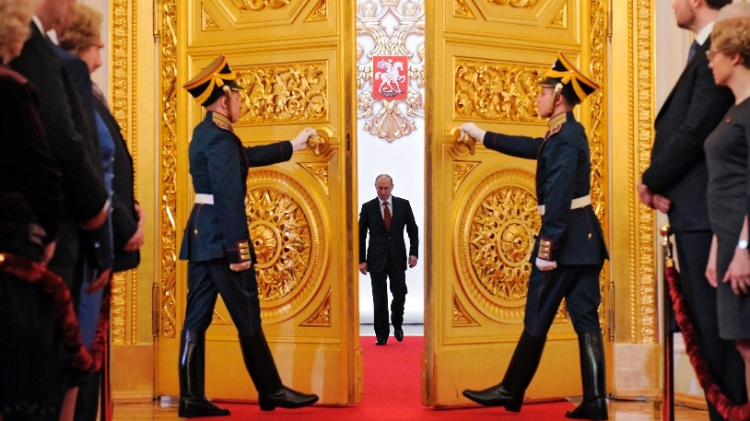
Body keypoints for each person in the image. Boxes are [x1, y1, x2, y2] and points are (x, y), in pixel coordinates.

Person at [459, 52, 609, 420]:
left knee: (537, 316)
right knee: (585, 318)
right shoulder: (565, 132)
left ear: (558, 95)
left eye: (542, 93)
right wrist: (483, 136)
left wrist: (547, 247)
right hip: (584, 241)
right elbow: (532, 148)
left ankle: (510, 389)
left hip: (563, 243)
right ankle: (595, 401)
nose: (536, 98)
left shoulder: (564, 137)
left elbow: (557, 196)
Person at [178, 54, 319, 418]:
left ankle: (191, 397)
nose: (242, 102)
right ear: (224, 99)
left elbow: (247, 156)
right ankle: (271, 391)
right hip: (223, 240)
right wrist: (239, 250)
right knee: (248, 317)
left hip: (201, 234)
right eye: (238, 96)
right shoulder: (221, 140)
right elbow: (227, 198)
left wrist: (294, 144)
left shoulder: (206, 133)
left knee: (196, 318)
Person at [637, 0, 747, 418]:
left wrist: (652, 179)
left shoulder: (716, 52)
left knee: (720, 337)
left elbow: (694, 129)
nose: (672, 7)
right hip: (696, 212)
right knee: (707, 331)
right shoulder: (706, 53)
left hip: (709, 217)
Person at [59, 4, 145, 420]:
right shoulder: (73, 90)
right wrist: (126, 224)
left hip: (105, 232)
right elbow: (95, 166)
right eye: (96, 43)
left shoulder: (87, 91)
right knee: (84, 354)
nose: (104, 48)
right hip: (91, 240)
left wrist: (132, 210)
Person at [704, 4, 750, 406]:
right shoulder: (733, 111)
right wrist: (720, 246)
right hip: (730, 241)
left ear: (735, 56)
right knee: (743, 344)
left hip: (745, 246)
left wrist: (742, 249)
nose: (709, 60)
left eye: (714, 53)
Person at [358, 174, 419, 345]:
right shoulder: (368, 207)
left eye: (386, 188)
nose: (383, 191)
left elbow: (412, 230)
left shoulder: (403, 205)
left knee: (400, 293)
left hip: (398, 257)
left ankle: (397, 323)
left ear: (392, 187)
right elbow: (360, 235)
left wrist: (413, 253)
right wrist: (361, 259)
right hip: (375, 259)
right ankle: (381, 334)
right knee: (379, 297)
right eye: (380, 188)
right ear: (375, 187)